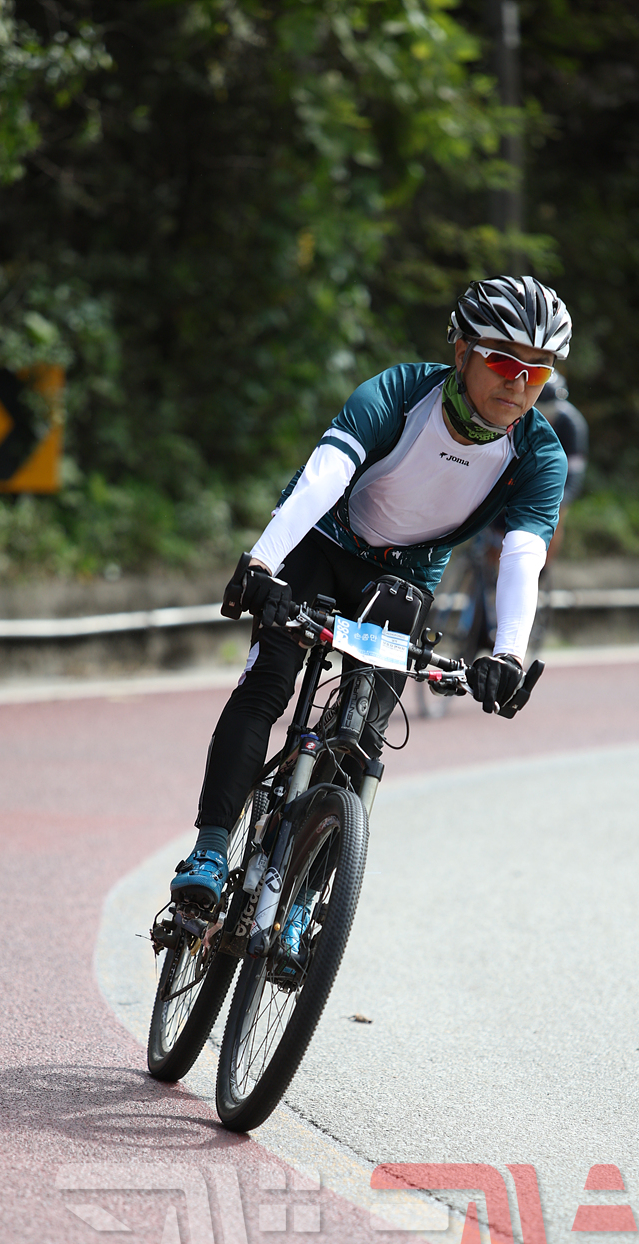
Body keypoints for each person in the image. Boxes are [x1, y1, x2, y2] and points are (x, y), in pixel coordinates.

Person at [170, 274, 573, 910]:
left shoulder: (538, 453)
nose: (519, 383)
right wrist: (262, 562)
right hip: (321, 544)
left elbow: (524, 553)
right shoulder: (400, 393)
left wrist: (508, 653)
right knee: (269, 683)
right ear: (463, 351)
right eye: (503, 361)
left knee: (363, 736)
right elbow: (326, 473)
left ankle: (301, 903)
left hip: (402, 578)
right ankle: (211, 849)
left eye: (538, 371)